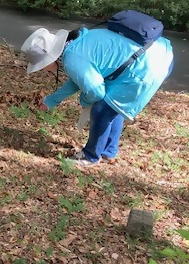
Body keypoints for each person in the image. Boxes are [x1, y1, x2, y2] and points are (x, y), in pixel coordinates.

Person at [23, 25, 174, 166]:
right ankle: (108, 152)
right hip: (156, 52)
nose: (43, 70)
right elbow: (79, 79)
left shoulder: (72, 59)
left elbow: (96, 91)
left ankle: (90, 156)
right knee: (111, 106)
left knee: (102, 109)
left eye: (42, 66)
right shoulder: (75, 44)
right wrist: (51, 100)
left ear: (50, 58)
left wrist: (84, 101)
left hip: (148, 66)